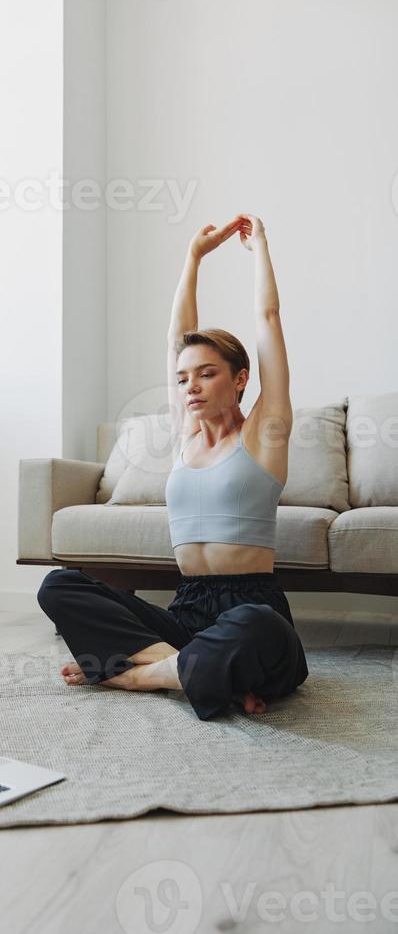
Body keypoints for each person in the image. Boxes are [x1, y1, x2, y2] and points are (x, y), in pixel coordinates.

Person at [36, 214, 309, 720]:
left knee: (261, 628)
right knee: (58, 586)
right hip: (187, 609)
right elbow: (175, 339)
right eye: (184, 379)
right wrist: (193, 257)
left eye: (208, 374)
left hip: (250, 604)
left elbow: (268, 320)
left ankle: (138, 674)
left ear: (240, 378)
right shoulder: (185, 431)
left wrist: (262, 247)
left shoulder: (265, 432)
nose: (192, 386)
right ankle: (197, 671)